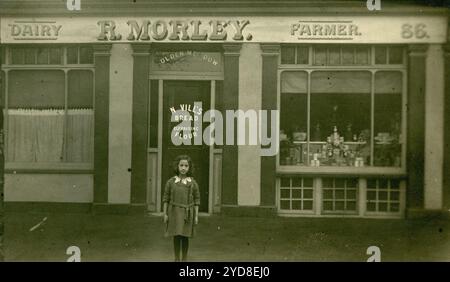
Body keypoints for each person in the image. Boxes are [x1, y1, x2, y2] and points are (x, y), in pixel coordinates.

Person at [163, 155, 200, 262]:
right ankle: (176, 259)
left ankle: (184, 259)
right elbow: (166, 198)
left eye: (186, 166)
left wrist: (196, 216)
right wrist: (165, 214)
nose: (183, 168)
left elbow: (197, 200)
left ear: (189, 168)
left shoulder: (192, 183)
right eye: (181, 165)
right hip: (174, 212)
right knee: (176, 236)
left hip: (187, 213)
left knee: (185, 236)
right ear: (177, 166)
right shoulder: (171, 182)